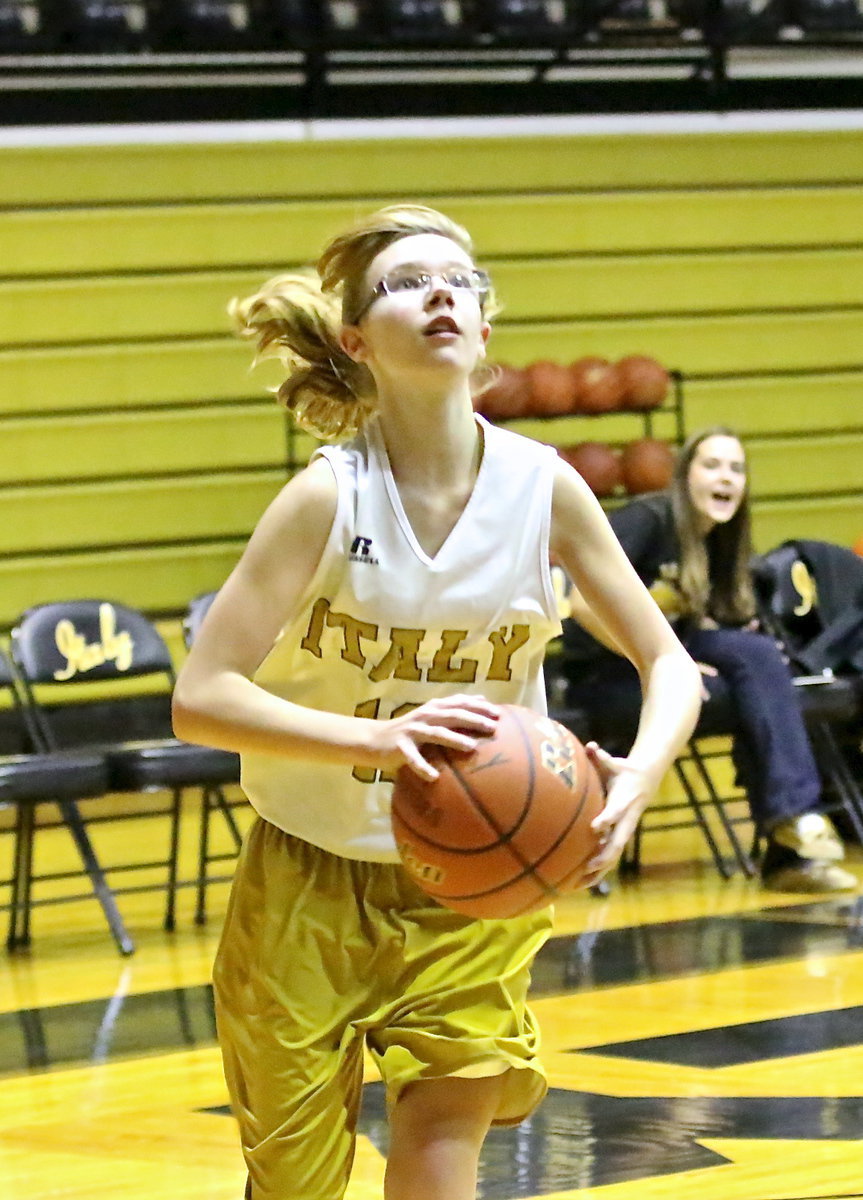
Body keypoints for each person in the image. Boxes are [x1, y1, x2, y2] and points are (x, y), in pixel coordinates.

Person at [172, 204, 702, 1200]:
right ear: (354, 340)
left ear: (485, 327)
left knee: (441, 1135)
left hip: (476, 880)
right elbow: (199, 698)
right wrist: (375, 737)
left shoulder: (544, 492)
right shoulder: (326, 498)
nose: (440, 295)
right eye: (406, 284)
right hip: (308, 867)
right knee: (291, 1180)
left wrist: (637, 777)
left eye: (459, 281)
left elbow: (668, 663)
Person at [563, 424, 859, 895]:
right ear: (685, 476)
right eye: (712, 465)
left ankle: (792, 834)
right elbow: (581, 604)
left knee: (760, 660)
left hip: (671, 660)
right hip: (605, 669)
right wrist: (661, 663)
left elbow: (705, 624)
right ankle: (792, 839)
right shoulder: (649, 519)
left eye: (737, 469)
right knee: (753, 682)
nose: (726, 478)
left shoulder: (723, 540)